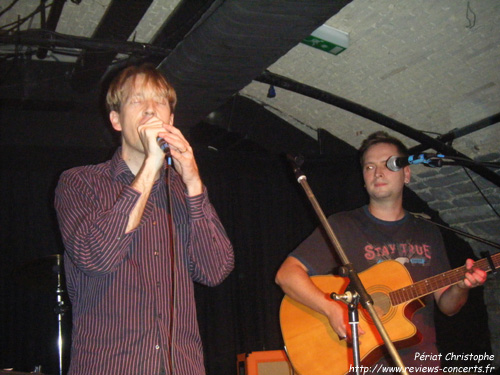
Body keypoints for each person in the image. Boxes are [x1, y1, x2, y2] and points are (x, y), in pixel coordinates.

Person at [55, 63, 234, 375]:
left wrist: (193, 183)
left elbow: (215, 270)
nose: (152, 110)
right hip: (111, 366)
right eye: (138, 100)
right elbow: (96, 257)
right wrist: (152, 165)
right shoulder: (79, 183)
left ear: (172, 120)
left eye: (160, 102)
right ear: (116, 120)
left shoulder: (184, 192)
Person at [275, 131, 487, 371]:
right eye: (369, 167)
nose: (378, 172)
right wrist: (332, 309)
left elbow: (448, 307)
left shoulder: (428, 231)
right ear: (363, 179)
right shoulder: (342, 226)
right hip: (362, 362)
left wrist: (461, 286)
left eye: (389, 164)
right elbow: (286, 275)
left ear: (407, 173)